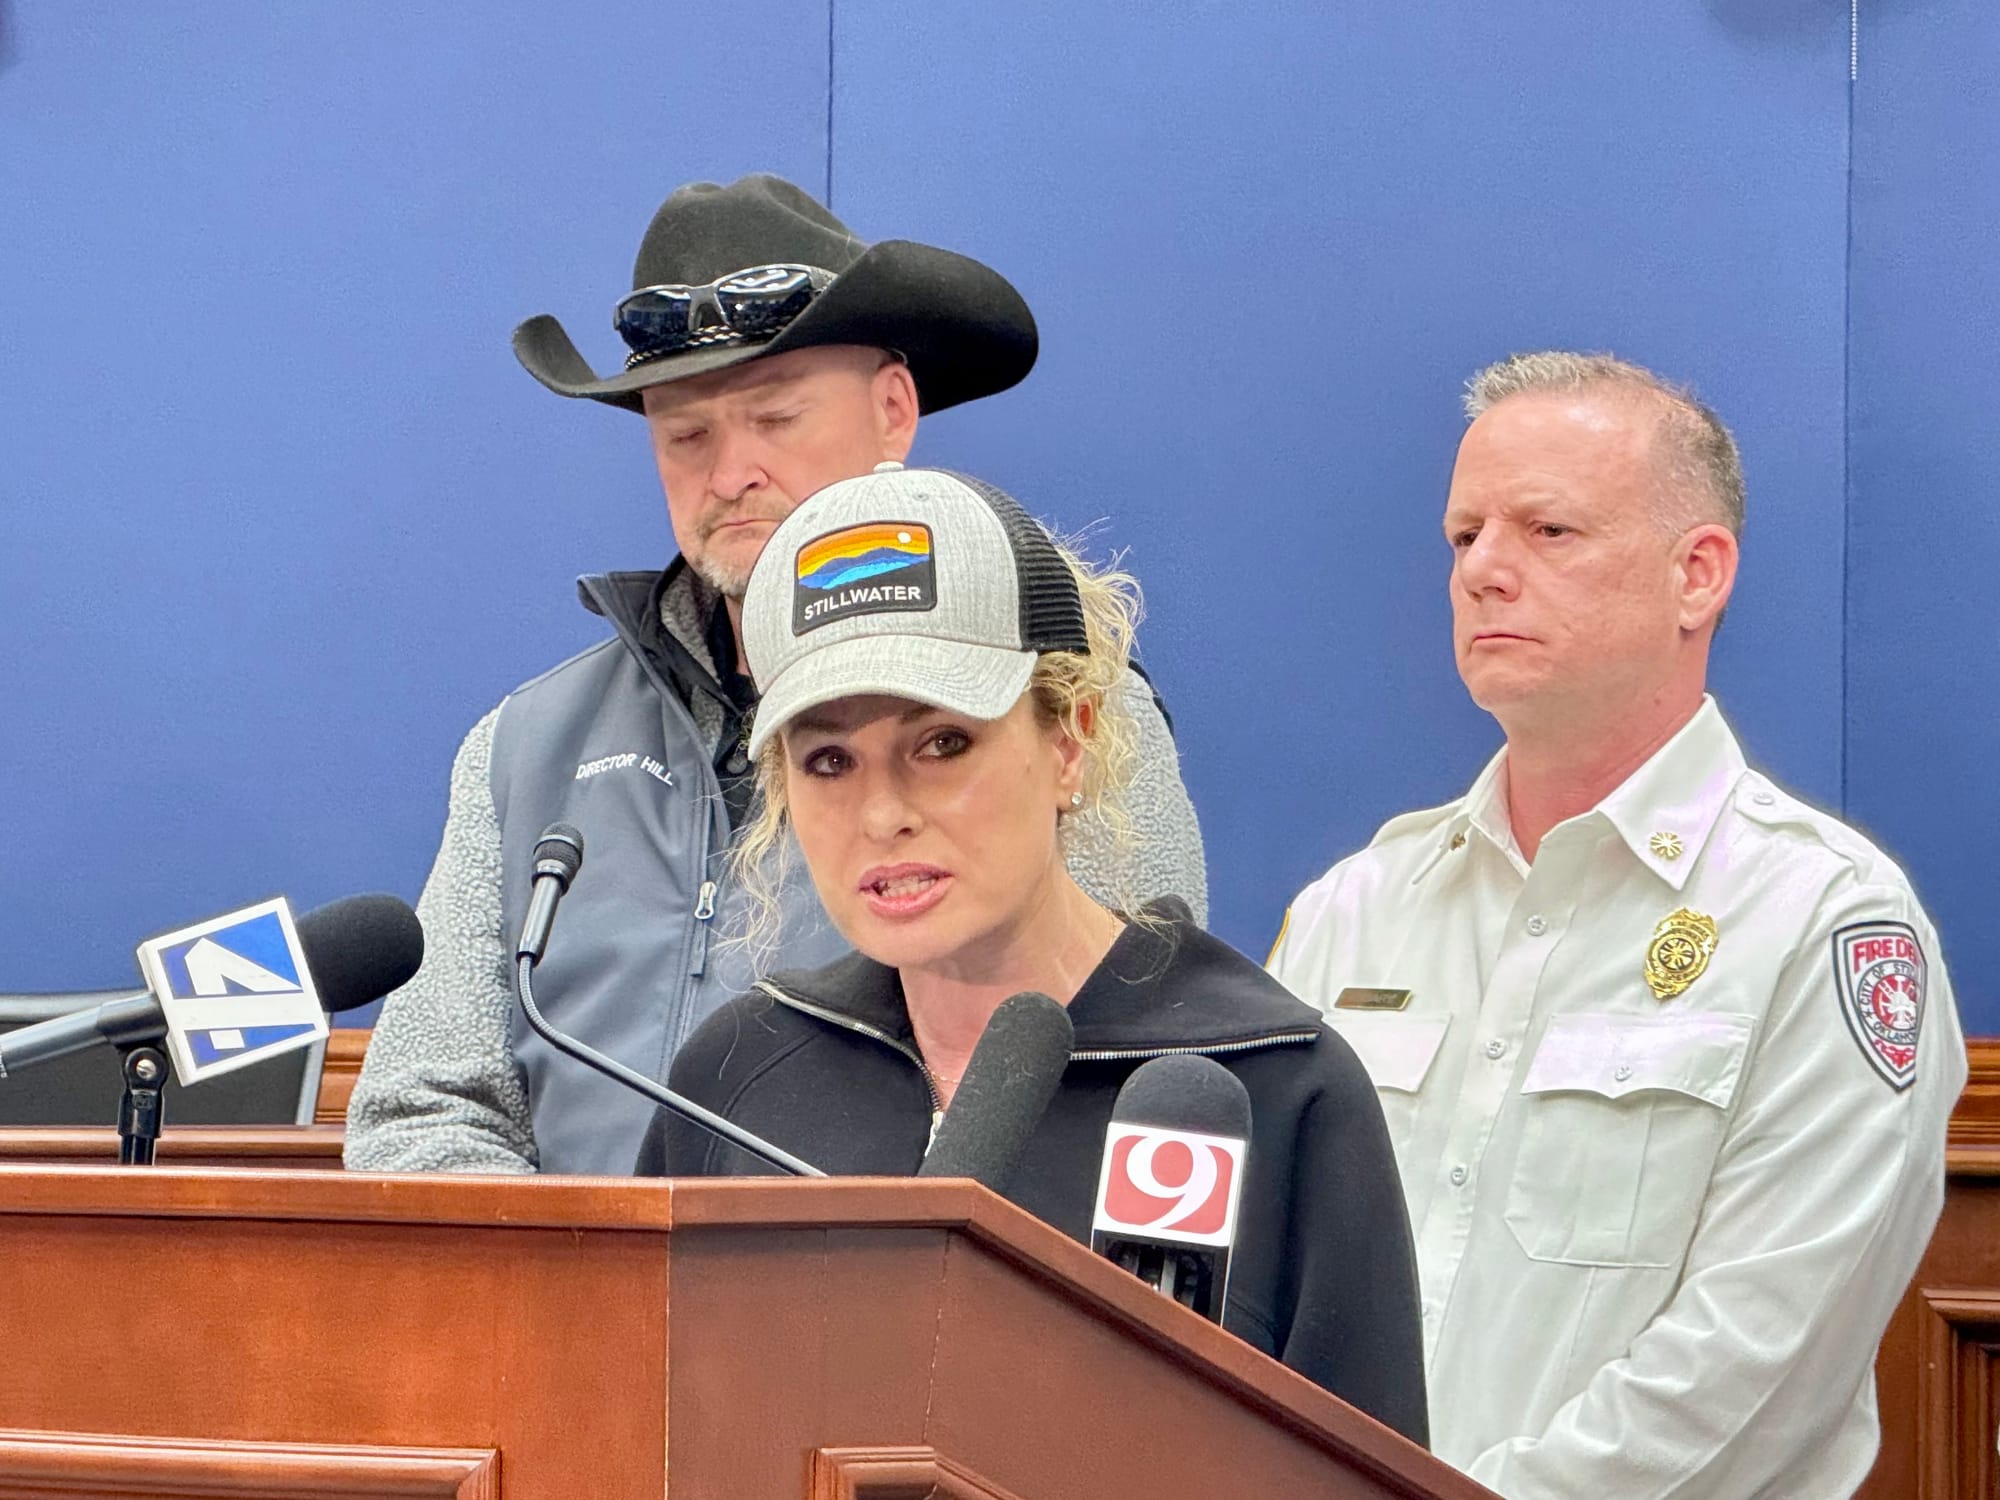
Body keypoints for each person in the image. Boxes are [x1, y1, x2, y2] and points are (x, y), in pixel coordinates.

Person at [344, 175, 1206, 1176]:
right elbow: (419, 1107)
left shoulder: (1040, 707)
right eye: (684, 434)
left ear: (893, 411)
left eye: (775, 416)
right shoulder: (521, 747)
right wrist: (580, 1306)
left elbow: (1132, 1065)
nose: (728, 473)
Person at [1268, 351, 1966, 1496]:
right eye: (1462, 535)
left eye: (1545, 532)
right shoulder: (1355, 910)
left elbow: (1750, 1373)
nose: (1483, 571)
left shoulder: (1821, 921)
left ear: (1696, 576)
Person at [636, 464, 1427, 1441]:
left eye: (942, 744)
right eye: (827, 759)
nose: (881, 813)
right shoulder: (739, 1071)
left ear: (1070, 741)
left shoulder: (1272, 1086)